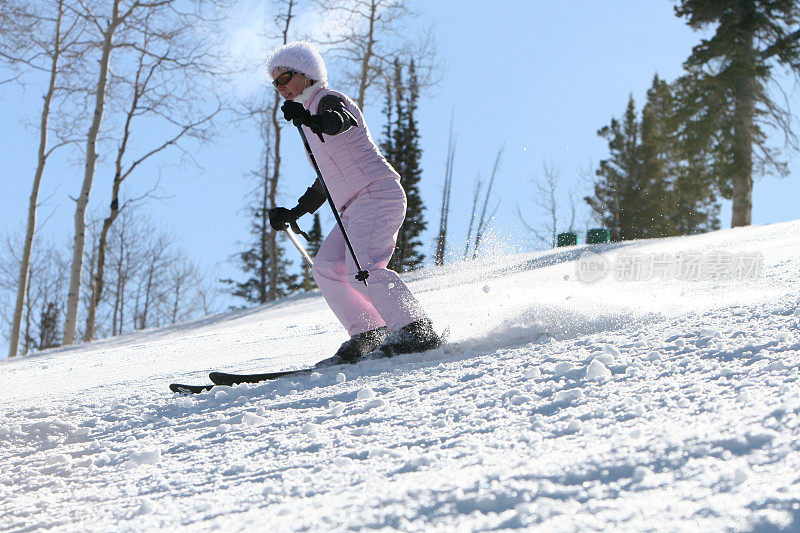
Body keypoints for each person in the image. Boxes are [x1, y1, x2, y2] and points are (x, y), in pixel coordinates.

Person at [265, 41, 442, 363]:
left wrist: (309, 120)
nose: (280, 87)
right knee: (327, 269)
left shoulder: (327, 100)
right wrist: (296, 212)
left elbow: (339, 122)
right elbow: (326, 181)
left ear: (306, 74)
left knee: (364, 268)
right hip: (353, 205)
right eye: (275, 82)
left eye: (285, 77)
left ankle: (416, 329)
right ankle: (369, 331)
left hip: (377, 192)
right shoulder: (306, 118)